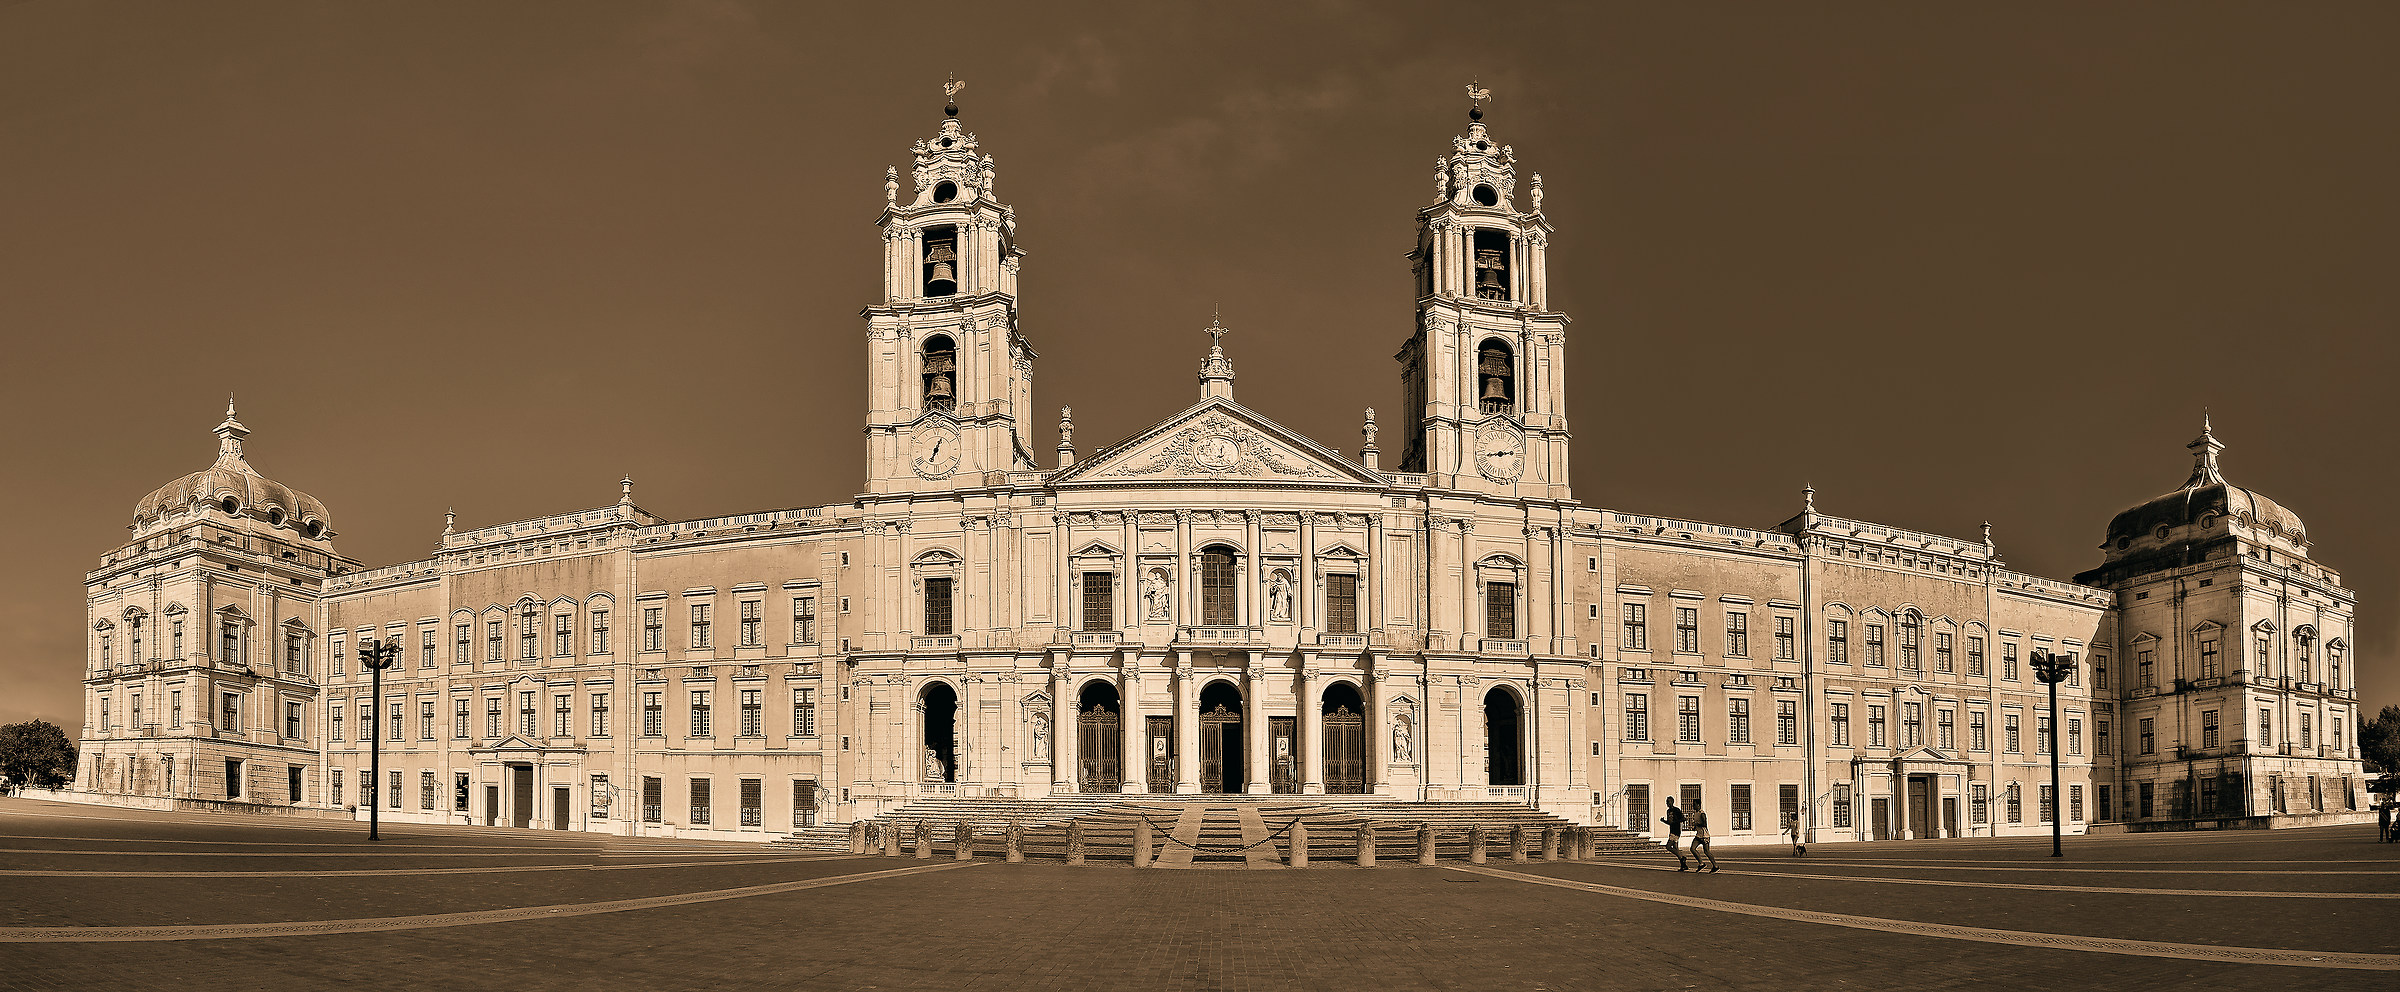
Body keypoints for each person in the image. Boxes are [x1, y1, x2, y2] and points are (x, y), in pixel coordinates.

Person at [1689, 801, 1719, 873]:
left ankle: (1715, 866)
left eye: (1694, 805)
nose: (1693, 806)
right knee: (1692, 848)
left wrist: (1697, 824)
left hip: (1705, 836)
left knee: (1706, 851)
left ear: (1698, 805)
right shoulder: (1695, 813)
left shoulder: (1702, 813)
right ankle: (1701, 863)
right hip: (1698, 835)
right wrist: (1695, 827)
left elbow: (1704, 824)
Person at [1660, 796, 1689, 871]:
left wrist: (1675, 822)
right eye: (1666, 801)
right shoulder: (1668, 811)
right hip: (1672, 830)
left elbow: (1683, 819)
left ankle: (1682, 857)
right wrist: (1664, 821)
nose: (1667, 803)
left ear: (1672, 802)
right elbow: (1670, 823)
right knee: (1676, 848)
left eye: (1668, 801)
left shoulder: (1676, 810)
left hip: (1676, 831)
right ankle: (1683, 865)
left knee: (1668, 847)